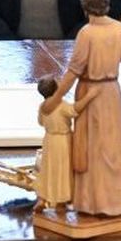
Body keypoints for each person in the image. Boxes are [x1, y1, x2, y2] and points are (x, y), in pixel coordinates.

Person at [44, 0, 121, 217]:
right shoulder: (118, 29)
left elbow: (74, 70)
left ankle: (92, 203)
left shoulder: (87, 33)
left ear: (84, 7)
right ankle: (113, 201)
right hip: (112, 92)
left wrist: (56, 97)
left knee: (92, 150)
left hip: (91, 92)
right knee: (111, 149)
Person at [34, 74, 76, 208]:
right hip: (63, 140)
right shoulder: (62, 105)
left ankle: (43, 198)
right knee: (62, 169)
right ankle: (61, 199)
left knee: (47, 169)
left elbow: (40, 122)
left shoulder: (43, 106)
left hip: (49, 140)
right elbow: (75, 111)